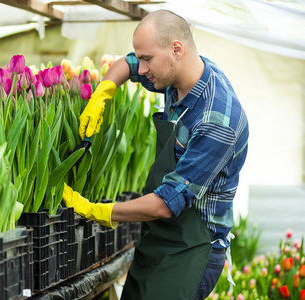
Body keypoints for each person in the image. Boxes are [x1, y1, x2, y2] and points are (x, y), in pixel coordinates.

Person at [62, 9, 249, 300]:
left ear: (177, 49)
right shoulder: (178, 75)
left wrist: (97, 210)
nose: (144, 68)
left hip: (192, 250)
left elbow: (166, 203)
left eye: (148, 59)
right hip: (159, 236)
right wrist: (103, 93)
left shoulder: (216, 120)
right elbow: (128, 63)